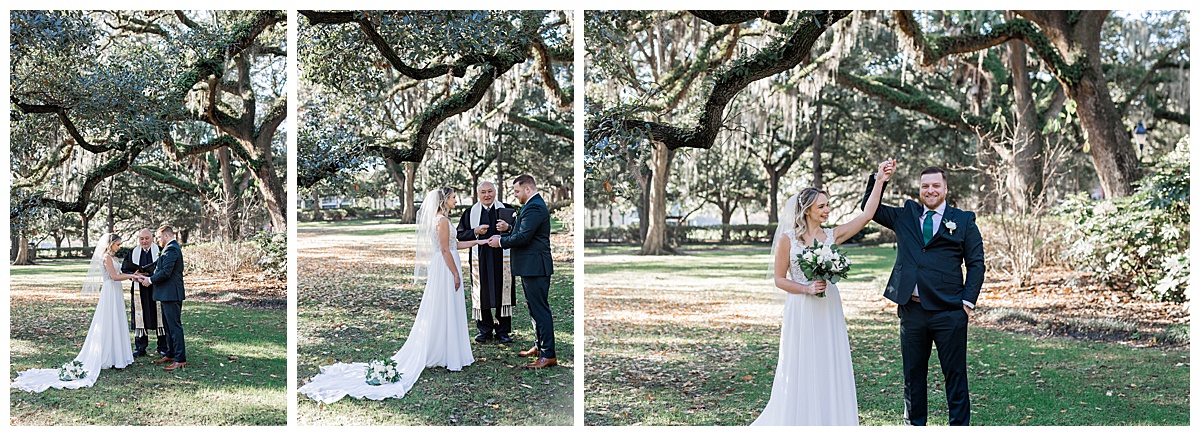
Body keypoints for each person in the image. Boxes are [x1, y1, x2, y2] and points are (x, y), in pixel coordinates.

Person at [299, 187, 488, 403]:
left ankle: (445, 351)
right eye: (454, 197)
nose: (457, 200)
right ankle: (446, 353)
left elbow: (455, 245)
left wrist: (478, 242)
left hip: (446, 264)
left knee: (444, 309)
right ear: (444, 200)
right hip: (446, 268)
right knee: (444, 307)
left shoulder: (441, 219)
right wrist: (455, 273)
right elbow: (446, 250)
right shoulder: (442, 221)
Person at [751, 159, 893, 425]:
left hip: (828, 306)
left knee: (828, 360)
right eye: (822, 206)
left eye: (827, 205)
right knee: (802, 362)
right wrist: (805, 288)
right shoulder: (788, 240)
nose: (827, 210)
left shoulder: (832, 236)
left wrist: (880, 181)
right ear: (807, 210)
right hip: (801, 308)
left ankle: (830, 418)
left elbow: (866, 216)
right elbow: (779, 279)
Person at [859, 164, 985, 426]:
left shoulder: (963, 220)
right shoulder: (905, 215)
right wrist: (878, 180)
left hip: (950, 312)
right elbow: (869, 210)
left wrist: (967, 303)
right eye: (925, 186)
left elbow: (976, 264)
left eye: (936, 185)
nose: (930, 190)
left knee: (955, 375)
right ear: (919, 189)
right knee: (913, 376)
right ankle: (914, 427)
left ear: (946, 188)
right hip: (912, 310)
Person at [12, 233, 142, 392]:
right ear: (110, 244)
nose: (119, 247)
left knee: (116, 321)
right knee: (109, 321)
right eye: (118, 244)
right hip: (110, 291)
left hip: (116, 291)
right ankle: (108, 356)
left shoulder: (113, 257)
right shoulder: (106, 257)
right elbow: (114, 276)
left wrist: (132, 276)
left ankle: (116, 356)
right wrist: (132, 276)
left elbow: (119, 274)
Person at [488, 174, 555, 369]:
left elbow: (524, 237)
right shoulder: (531, 205)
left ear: (528, 189)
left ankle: (548, 354)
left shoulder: (534, 206)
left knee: (540, 310)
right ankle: (539, 346)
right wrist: (509, 229)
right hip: (529, 266)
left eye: (517, 191)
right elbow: (522, 231)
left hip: (536, 266)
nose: (516, 195)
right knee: (534, 309)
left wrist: (500, 242)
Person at [456, 181, 516, 343]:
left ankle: (503, 331)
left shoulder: (506, 209)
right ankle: (485, 330)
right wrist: (475, 231)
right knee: (481, 292)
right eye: (483, 192)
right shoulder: (470, 213)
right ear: (478, 194)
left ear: (495, 192)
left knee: (502, 291)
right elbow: (459, 235)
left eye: (490, 191)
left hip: (502, 257)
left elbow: (520, 230)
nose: (487, 195)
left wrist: (508, 227)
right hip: (480, 257)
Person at [140, 224, 187, 371]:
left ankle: (180, 359)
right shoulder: (168, 249)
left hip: (171, 294)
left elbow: (166, 272)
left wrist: (150, 280)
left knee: (174, 327)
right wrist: (148, 275)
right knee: (168, 326)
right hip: (167, 293)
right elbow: (161, 269)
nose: (158, 241)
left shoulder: (172, 249)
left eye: (159, 237)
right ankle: (171, 354)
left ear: (166, 236)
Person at [122, 228, 167, 358]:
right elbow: (125, 269)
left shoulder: (160, 251)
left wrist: (151, 276)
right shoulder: (133, 253)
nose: (144, 241)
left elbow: (164, 268)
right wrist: (134, 275)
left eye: (147, 238)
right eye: (141, 239)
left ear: (152, 238)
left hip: (156, 288)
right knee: (140, 317)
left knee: (160, 316)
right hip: (139, 289)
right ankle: (140, 347)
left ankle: (163, 347)